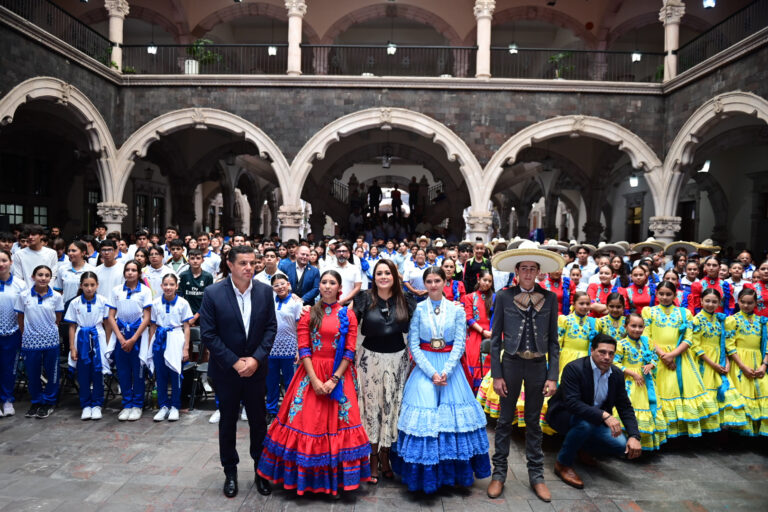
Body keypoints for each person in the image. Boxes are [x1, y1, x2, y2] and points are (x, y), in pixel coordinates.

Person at [258, 269, 371, 498]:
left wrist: (333, 380)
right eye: (324, 282)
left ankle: (337, 482)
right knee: (306, 422)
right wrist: (315, 380)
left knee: (341, 424)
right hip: (309, 375)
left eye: (332, 282)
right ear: (318, 286)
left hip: (339, 376)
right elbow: (304, 348)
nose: (327, 286)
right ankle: (305, 481)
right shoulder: (308, 314)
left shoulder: (348, 315)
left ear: (339, 288)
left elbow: (350, 351)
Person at [390, 266, 490, 493]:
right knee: (423, 419)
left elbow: (460, 343)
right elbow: (413, 344)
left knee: (452, 420)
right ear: (424, 284)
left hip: (449, 369)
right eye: (429, 281)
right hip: (425, 367)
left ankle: (452, 475)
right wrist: (431, 373)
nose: (433, 285)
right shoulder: (419, 308)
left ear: (446, 282)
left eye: (437, 280)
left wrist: (445, 371)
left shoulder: (457, 310)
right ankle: (424, 476)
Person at [199, 245, 277, 498]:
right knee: (228, 421)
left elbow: (270, 329)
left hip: (256, 369)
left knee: (258, 421)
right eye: (243, 263)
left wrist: (255, 360)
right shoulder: (213, 293)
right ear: (230, 265)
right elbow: (209, 334)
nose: (249, 268)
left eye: (252, 263)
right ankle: (230, 472)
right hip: (226, 370)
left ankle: (260, 470)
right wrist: (235, 362)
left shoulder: (265, 292)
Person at [487, 240, 562, 502]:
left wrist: (553, 376)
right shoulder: (505, 296)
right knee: (505, 421)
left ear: (539, 272)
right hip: (511, 364)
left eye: (533, 268)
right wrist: (497, 374)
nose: (528, 273)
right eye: (524, 268)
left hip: (538, 366)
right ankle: (499, 475)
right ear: (516, 271)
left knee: (533, 422)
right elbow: (495, 339)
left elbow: (554, 341)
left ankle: (536, 477)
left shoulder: (550, 298)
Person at [546, 334, 643, 490]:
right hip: (564, 415)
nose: (607, 357)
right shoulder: (574, 368)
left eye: (611, 354)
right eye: (602, 352)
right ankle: (563, 464)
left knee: (620, 445)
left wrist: (634, 436)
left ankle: (582, 447)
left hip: (594, 419)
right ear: (592, 350)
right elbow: (572, 403)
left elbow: (624, 406)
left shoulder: (616, 374)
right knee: (584, 425)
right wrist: (604, 415)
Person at [353, 259, 414, 484]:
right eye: (379, 273)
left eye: (387, 273)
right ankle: (372, 458)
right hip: (370, 361)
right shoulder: (363, 298)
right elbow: (349, 325)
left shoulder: (406, 300)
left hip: (398, 360)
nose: (383, 277)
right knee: (371, 409)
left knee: (392, 407)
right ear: (374, 276)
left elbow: (417, 326)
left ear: (394, 275)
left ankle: (386, 457)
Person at [643, 281, 718, 437]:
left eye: (668, 294)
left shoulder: (685, 313)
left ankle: (680, 433)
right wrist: (663, 355)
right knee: (661, 392)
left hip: (680, 358)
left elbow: (688, 339)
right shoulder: (649, 312)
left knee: (680, 392)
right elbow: (646, 337)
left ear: (675, 295)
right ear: (656, 294)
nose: (664, 297)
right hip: (656, 357)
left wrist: (672, 355)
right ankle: (662, 433)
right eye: (661, 294)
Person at [692, 288, 747, 431]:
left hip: (720, 360)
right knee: (705, 395)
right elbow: (695, 346)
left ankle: (717, 432)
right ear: (701, 301)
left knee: (723, 395)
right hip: (704, 361)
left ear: (719, 303)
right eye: (707, 301)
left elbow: (724, 343)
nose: (710, 304)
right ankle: (703, 432)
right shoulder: (697, 319)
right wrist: (713, 364)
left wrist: (727, 362)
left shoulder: (721, 319)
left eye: (714, 302)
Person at [106, 260, 152, 421]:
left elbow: (147, 317)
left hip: (138, 335)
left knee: (138, 371)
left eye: (134, 270)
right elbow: (111, 316)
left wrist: (133, 338)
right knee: (123, 371)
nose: (130, 272)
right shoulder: (116, 290)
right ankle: (127, 404)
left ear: (139, 273)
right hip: (120, 335)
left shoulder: (145, 291)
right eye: (128, 270)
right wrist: (120, 337)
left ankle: (138, 404)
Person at [16, 265, 64, 419]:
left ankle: (49, 402)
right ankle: (36, 401)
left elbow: (57, 318)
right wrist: (27, 334)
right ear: (33, 277)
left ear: (51, 278)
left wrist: (49, 331)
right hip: (30, 342)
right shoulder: (24, 296)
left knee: (52, 373)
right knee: (33, 373)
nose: (43, 278)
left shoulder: (56, 296)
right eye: (40, 275)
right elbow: (20, 318)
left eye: (47, 275)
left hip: (51, 341)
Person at [614, 314, 667, 450]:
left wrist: (651, 365)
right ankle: (624, 444)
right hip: (630, 384)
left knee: (649, 406)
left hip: (646, 382)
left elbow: (655, 356)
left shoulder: (647, 341)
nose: (637, 329)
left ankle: (643, 444)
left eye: (640, 326)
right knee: (629, 408)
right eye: (633, 326)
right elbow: (615, 363)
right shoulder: (621, 344)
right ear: (625, 326)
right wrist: (632, 373)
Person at [65, 271, 110, 421]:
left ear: (97, 285)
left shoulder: (103, 301)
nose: (89, 288)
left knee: (97, 371)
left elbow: (107, 324)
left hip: (98, 337)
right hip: (81, 338)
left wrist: (108, 345)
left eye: (92, 285)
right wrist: (72, 347)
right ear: (81, 286)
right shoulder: (75, 302)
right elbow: (72, 326)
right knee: (83, 373)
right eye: (86, 285)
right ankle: (85, 405)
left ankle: (97, 404)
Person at [148, 273, 193, 422]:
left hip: (175, 338)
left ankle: (175, 405)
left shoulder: (183, 303)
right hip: (160, 339)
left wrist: (185, 347)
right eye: (165, 285)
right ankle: (163, 406)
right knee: (160, 375)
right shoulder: (155, 303)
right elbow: (153, 326)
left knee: (175, 373)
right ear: (161, 286)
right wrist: (150, 346)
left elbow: (186, 327)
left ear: (176, 286)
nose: (168, 287)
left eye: (171, 284)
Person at [726, 288, 768, 436]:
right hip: (740, 362)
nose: (746, 305)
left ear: (756, 303)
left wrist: (764, 365)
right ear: (738, 301)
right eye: (742, 302)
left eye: (750, 303)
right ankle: (739, 434)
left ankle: (757, 431)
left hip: (758, 361)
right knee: (741, 393)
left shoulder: (763, 322)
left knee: (762, 391)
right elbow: (729, 345)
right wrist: (742, 366)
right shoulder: (732, 320)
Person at [265, 273, 303, 422]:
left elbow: (300, 328)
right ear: (272, 288)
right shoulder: (269, 302)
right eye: (276, 285)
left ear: (288, 285)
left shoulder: (296, 302)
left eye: (282, 284)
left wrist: (300, 349)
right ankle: (271, 410)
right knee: (271, 381)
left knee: (290, 381)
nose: (280, 287)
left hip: (290, 347)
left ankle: (290, 411)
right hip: (272, 347)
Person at [0, 250, 26, 417]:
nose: (1, 264)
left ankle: (7, 399)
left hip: (13, 333)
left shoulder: (20, 284)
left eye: (4, 260)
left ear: (10, 262)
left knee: (9, 369)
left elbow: (24, 310)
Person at [462, 269, 494, 392]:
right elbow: (468, 318)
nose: (486, 283)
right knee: (475, 363)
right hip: (476, 334)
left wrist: (492, 332)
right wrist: (483, 331)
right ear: (478, 280)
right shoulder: (469, 297)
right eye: (484, 280)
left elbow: (498, 317)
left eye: (489, 281)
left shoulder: (495, 298)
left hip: (492, 334)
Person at [558, 292, 597, 377]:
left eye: (587, 304)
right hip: (567, 358)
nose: (585, 307)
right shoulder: (564, 320)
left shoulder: (593, 322)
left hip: (586, 359)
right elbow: (558, 343)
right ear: (574, 304)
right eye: (581, 304)